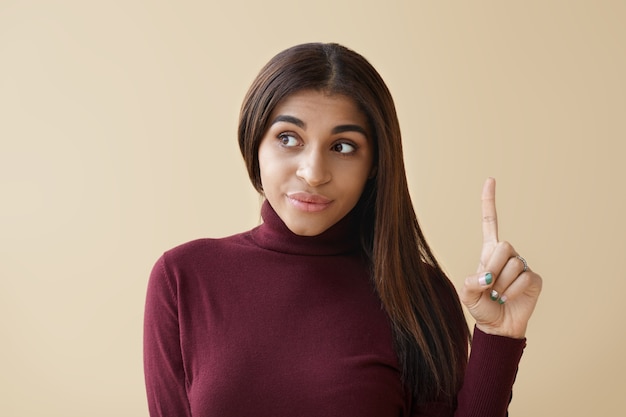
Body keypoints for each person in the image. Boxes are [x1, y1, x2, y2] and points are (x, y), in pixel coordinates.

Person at [143, 42, 542, 417]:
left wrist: (498, 337)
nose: (314, 173)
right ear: (255, 145)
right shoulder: (183, 278)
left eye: (343, 146)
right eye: (288, 138)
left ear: (374, 166)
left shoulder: (421, 295)